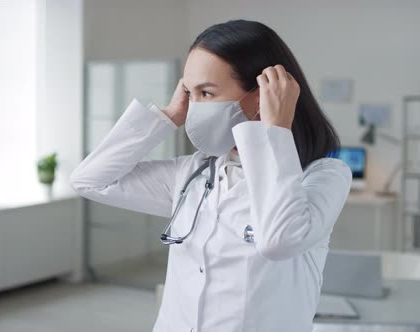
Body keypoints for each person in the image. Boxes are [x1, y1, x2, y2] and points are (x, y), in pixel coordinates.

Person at [70, 19, 352, 332]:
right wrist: (166, 117)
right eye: (189, 93)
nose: (194, 107)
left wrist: (276, 130)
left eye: (206, 93)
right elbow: (89, 180)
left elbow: (279, 241)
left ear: (261, 96)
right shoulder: (192, 172)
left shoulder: (324, 176)